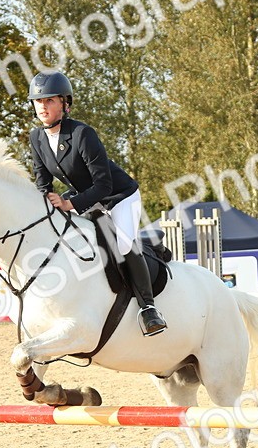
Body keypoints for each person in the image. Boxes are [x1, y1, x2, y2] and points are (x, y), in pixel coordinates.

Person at [27, 71, 166, 336]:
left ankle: (149, 308)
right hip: (84, 197)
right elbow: (42, 182)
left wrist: (70, 204)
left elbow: (104, 185)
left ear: (64, 103)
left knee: (123, 244)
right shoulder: (37, 138)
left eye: (49, 100)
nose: (42, 106)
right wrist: (45, 202)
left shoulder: (82, 134)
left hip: (119, 196)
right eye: (38, 101)